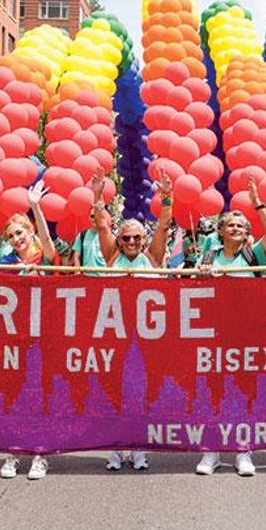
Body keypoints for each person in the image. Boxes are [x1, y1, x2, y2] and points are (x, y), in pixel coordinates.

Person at [194, 177, 266, 478]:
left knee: (243, 392)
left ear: (246, 235)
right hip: (212, 336)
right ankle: (212, 450)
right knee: (212, 392)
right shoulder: (207, 258)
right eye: (229, 225)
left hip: (246, 336)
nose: (235, 229)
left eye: (241, 226)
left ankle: (243, 450)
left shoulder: (253, 255)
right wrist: (201, 277)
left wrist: (257, 201)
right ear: (219, 232)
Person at [92, 168, 173, 471]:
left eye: (137, 237)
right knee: (113, 392)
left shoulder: (151, 256)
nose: (131, 242)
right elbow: (102, 227)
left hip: (147, 337)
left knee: (143, 393)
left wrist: (166, 197)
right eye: (126, 237)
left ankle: (138, 447)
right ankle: (116, 448)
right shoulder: (112, 255)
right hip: (114, 334)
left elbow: (163, 227)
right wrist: (98, 196)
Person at [0, 183, 58, 480]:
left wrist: (35, 207)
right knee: (15, 393)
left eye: (19, 233)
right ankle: (13, 451)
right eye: (10, 236)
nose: (16, 239)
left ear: (29, 231)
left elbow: (47, 241)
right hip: (16, 334)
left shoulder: (43, 255)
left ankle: (40, 453)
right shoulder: (6, 262)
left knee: (40, 393)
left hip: (44, 334)